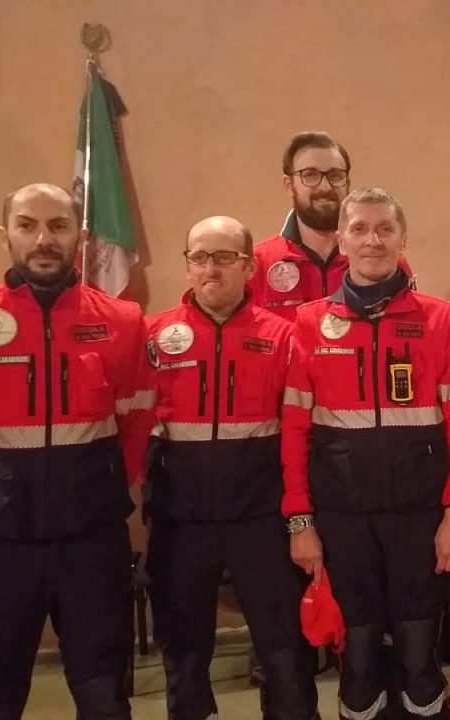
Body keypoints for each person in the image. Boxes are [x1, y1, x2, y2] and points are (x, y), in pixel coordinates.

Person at [0, 183, 156, 718]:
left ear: (81, 235)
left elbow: (139, 417)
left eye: (58, 225)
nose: (44, 238)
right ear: (6, 235)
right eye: (28, 225)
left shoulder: (122, 322)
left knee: (103, 685)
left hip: (90, 542)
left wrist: (104, 486)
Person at [282, 187, 450, 720]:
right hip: (341, 519)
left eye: (385, 228)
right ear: (341, 239)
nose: (373, 239)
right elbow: (294, 429)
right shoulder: (308, 322)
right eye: (360, 228)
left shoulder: (437, 318)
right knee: (359, 660)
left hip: (420, 516)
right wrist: (299, 521)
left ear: (402, 237)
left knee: (419, 658)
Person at [145, 216, 317, 719]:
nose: (210, 268)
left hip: (261, 521)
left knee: (285, 651)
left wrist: (301, 519)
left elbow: (300, 437)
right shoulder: (153, 337)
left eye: (223, 257)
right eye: (199, 257)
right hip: (180, 524)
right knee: (185, 653)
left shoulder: (285, 337)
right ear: (187, 265)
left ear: (249, 266)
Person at [249, 131, 353, 320]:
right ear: (289, 185)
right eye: (311, 175)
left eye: (336, 175)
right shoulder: (256, 265)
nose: (325, 187)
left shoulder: (376, 260)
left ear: (348, 183)